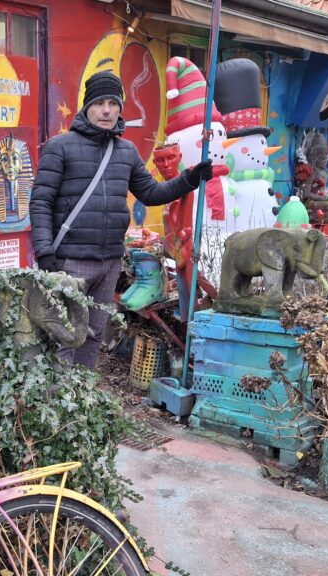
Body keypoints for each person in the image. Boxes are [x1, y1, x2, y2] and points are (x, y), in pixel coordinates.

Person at [31, 71, 212, 368]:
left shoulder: (125, 151)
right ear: (87, 107)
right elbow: (40, 202)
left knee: (93, 334)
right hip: (69, 261)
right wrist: (44, 252)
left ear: (119, 108)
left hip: (110, 262)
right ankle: (57, 403)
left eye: (112, 104)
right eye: (100, 103)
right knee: (62, 335)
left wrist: (189, 179)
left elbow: (151, 192)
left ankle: (84, 396)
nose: (106, 110)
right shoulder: (60, 147)